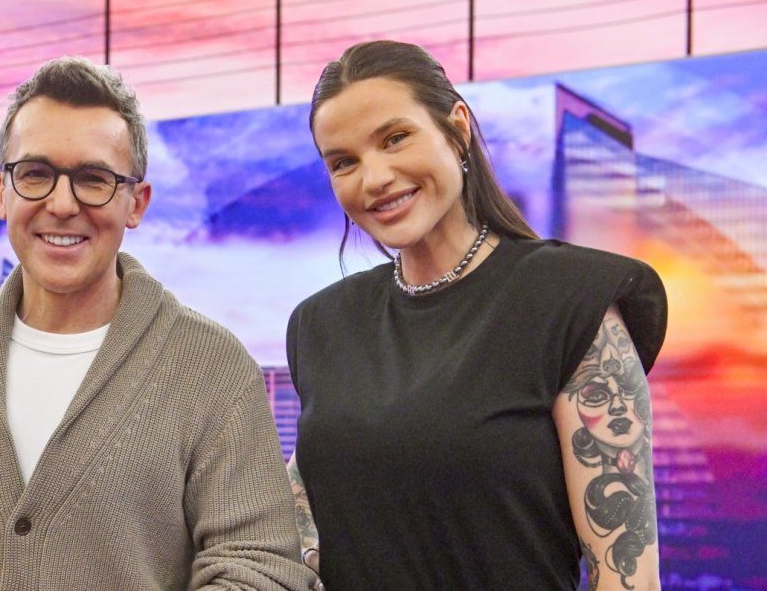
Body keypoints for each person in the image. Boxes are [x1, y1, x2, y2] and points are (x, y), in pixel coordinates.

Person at [0, 57, 315, 590]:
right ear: (1, 192)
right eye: (35, 174)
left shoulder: (212, 368)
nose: (61, 204)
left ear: (137, 203)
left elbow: (259, 566)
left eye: (93, 179)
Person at [286, 41, 667, 590]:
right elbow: (303, 520)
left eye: (395, 138)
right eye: (344, 162)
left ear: (458, 128)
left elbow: (627, 576)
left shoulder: (569, 300)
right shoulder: (320, 324)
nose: (374, 178)